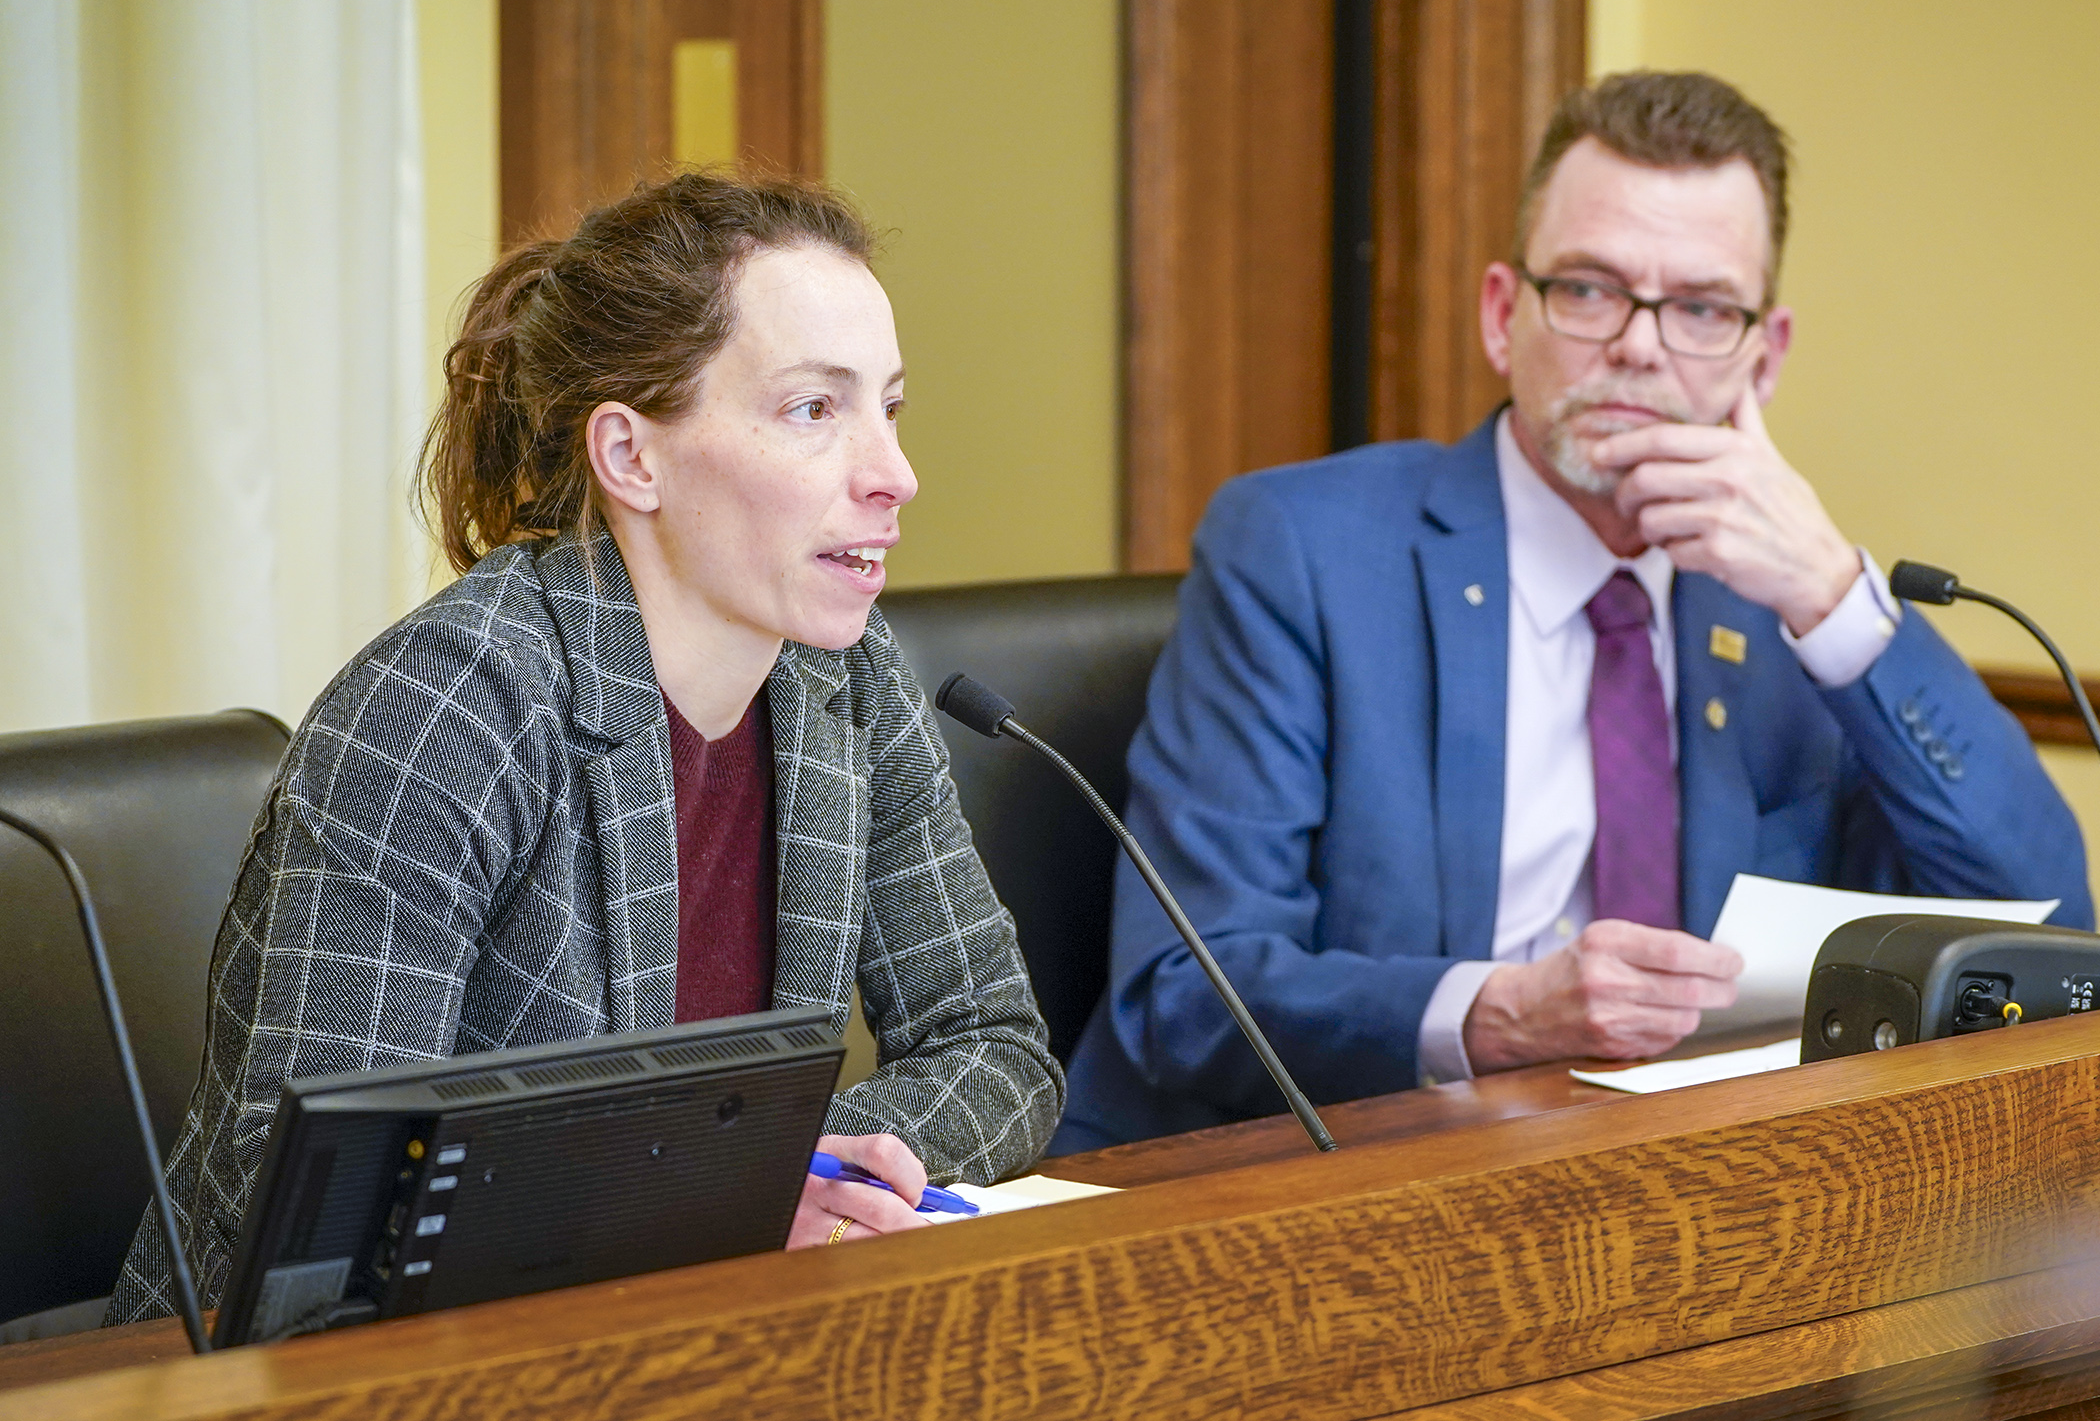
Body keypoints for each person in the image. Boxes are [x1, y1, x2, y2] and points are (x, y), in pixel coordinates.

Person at [1054, 71, 2091, 1151]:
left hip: (1691, 1192)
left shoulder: (1792, 610)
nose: (1640, 347)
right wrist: (1496, 1014)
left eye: (1699, 308)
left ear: (1763, 355)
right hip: (1337, 1180)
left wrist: (1838, 601)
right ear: (1506, 315)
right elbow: (1182, 991)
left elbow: (2048, 927)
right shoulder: (1302, 551)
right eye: (1591, 290)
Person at [109, 172, 1063, 1323]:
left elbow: (996, 1045)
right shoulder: (446, 711)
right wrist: (725, 1199)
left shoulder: (846, 681)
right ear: (631, 457)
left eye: (890, 408)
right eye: (815, 410)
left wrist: (802, 1169)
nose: (893, 475)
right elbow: (310, 1215)